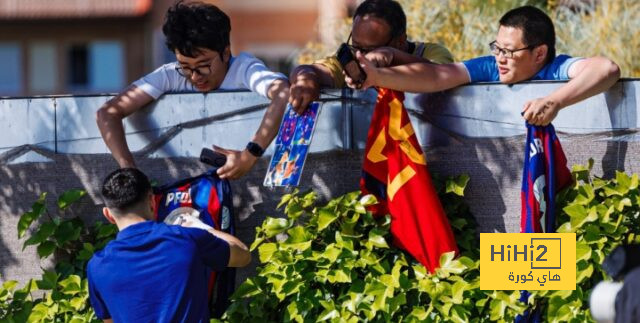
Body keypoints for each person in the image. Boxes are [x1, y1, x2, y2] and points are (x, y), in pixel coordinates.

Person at [96, 1, 289, 179]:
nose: (195, 76)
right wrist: (129, 168)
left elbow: (283, 93)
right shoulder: (171, 75)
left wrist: (250, 154)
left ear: (226, 52)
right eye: (186, 67)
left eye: (203, 65)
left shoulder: (244, 69)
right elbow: (107, 113)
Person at [346, 5, 620, 126]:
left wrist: (553, 102)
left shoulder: (557, 68)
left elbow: (606, 69)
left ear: (539, 54)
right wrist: (378, 76)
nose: (499, 57)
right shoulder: (491, 67)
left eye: (509, 51)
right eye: (497, 48)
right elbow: (436, 76)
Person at [87, 168, 251, 322]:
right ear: (152, 201)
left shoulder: (96, 267)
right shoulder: (188, 239)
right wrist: (201, 227)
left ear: (108, 215)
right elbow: (243, 255)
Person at [288, 0, 454, 112]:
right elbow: (311, 70)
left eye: (370, 50)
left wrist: (392, 57)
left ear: (400, 41)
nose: (361, 55)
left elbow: (442, 75)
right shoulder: (353, 59)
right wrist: (306, 79)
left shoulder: (432, 53)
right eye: (356, 46)